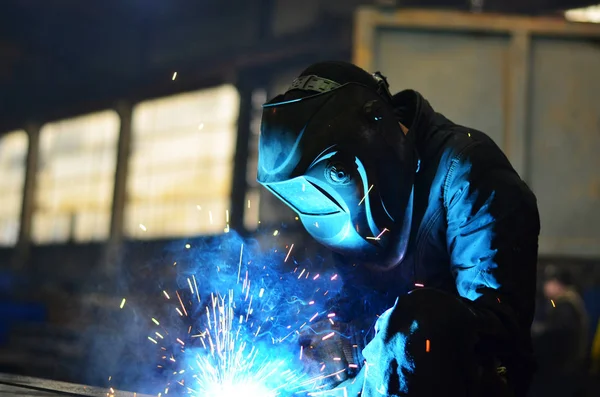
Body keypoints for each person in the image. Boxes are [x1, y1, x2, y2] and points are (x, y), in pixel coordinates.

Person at [257, 61, 540, 396]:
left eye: (337, 175)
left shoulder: (469, 173)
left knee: (421, 325)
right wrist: (333, 337)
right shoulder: (339, 205)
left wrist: (390, 353)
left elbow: (496, 338)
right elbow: (355, 303)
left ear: (375, 124)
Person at [529, 266, 588, 397]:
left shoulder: (566, 305)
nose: (545, 286)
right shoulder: (568, 302)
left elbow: (558, 334)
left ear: (557, 284)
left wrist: (538, 331)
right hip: (566, 368)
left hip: (561, 370)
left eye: (548, 282)